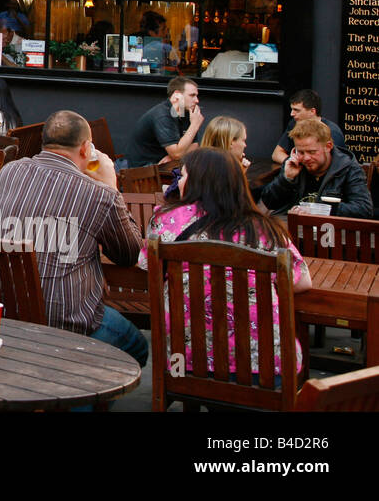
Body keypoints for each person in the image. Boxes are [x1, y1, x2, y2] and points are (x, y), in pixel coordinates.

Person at [0, 110, 147, 367]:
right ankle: (80, 400)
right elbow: (130, 253)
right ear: (86, 149)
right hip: (66, 321)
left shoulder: (9, 172)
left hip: (9, 310)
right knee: (137, 348)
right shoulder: (99, 195)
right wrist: (111, 188)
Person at [139, 147, 311, 379]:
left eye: (184, 175)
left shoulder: (166, 221)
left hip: (184, 364)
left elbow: (146, 265)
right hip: (266, 369)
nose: (179, 181)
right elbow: (302, 282)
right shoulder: (266, 231)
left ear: (199, 183)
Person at [257, 116, 372, 219]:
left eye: (312, 152)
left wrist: (320, 210)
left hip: (328, 233)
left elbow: (363, 209)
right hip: (290, 228)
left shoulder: (348, 168)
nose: (306, 158)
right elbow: (269, 202)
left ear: (328, 146)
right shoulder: (295, 162)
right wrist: (286, 179)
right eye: (301, 152)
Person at [124, 76, 203, 167]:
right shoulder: (163, 115)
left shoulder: (186, 112)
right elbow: (177, 154)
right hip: (143, 169)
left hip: (164, 164)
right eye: (192, 95)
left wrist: (172, 157)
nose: (197, 100)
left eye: (196, 95)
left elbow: (194, 146)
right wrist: (194, 125)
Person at [270, 88, 350, 165]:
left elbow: (332, 165)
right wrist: (292, 163)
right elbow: (277, 154)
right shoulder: (294, 124)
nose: (292, 114)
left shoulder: (332, 131)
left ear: (312, 111)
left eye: (297, 110)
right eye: (292, 109)